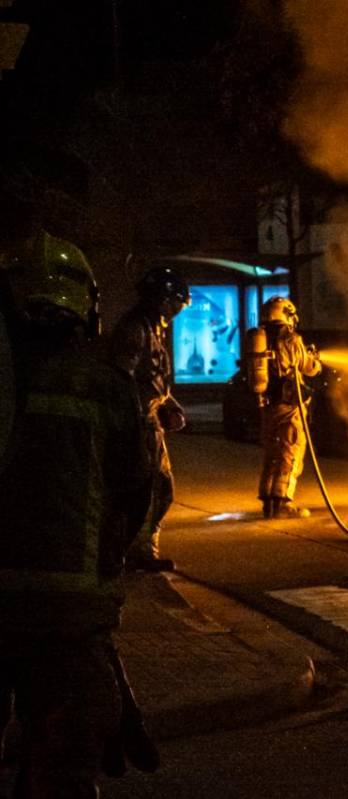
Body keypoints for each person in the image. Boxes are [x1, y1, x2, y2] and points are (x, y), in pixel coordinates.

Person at [0, 231, 153, 797]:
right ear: (84, 306)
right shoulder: (106, 387)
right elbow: (137, 493)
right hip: (69, 624)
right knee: (66, 766)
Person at [109, 265, 190, 571]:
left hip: (148, 421)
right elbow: (123, 378)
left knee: (160, 488)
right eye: (177, 304)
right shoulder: (136, 328)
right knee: (145, 488)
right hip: (138, 425)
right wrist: (136, 418)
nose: (178, 311)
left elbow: (153, 380)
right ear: (165, 300)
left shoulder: (152, 328)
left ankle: (141, 550)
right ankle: (135, 552)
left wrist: (169, 406)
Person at [258, 296, 321, 519]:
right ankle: (283, 503)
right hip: (289, 406)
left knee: (272, 453)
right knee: (291, 451)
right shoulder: (290, 338)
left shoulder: (262, 337)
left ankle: (269, 503)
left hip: (268, 406)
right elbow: (309, 367)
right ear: (285, 314)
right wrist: (315, 359)